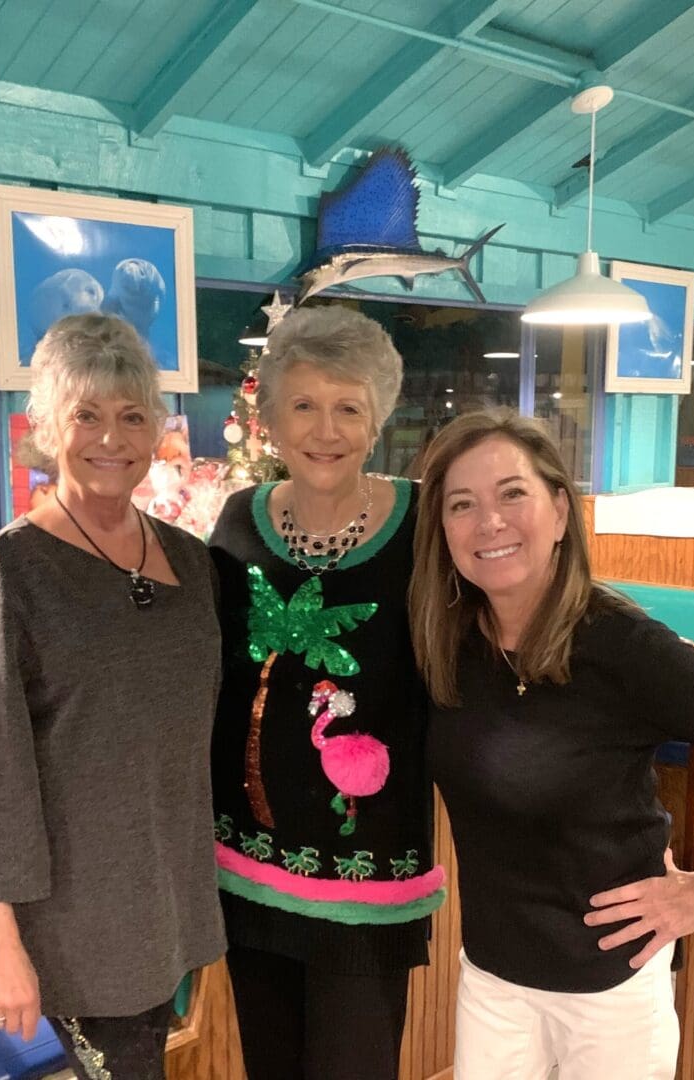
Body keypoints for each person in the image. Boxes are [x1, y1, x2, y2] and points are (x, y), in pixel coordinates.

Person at [409, 409, 694, 1080]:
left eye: (513, 494)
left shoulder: (625, 646)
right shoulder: (447, 646)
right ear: (442, 532)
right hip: (492, 981)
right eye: (462, 504)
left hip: (610, 993)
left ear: (560, 509)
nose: (489, 522)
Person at [0, 314, 225, 1080]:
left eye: (132, 415)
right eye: (86, 415)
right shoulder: (13, 569)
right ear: (46, 427)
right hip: (75, 919)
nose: (111, 438)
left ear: (156, 429)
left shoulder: (194, 565)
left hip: (172, 900)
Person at [209, 304, 446, 1080]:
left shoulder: (425, 526)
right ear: (269, 418)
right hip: (249, 873)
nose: (326, 429)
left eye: (349, 408)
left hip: (367, 887)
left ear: (376, 421)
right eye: (304, 404)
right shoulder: (236, 521)